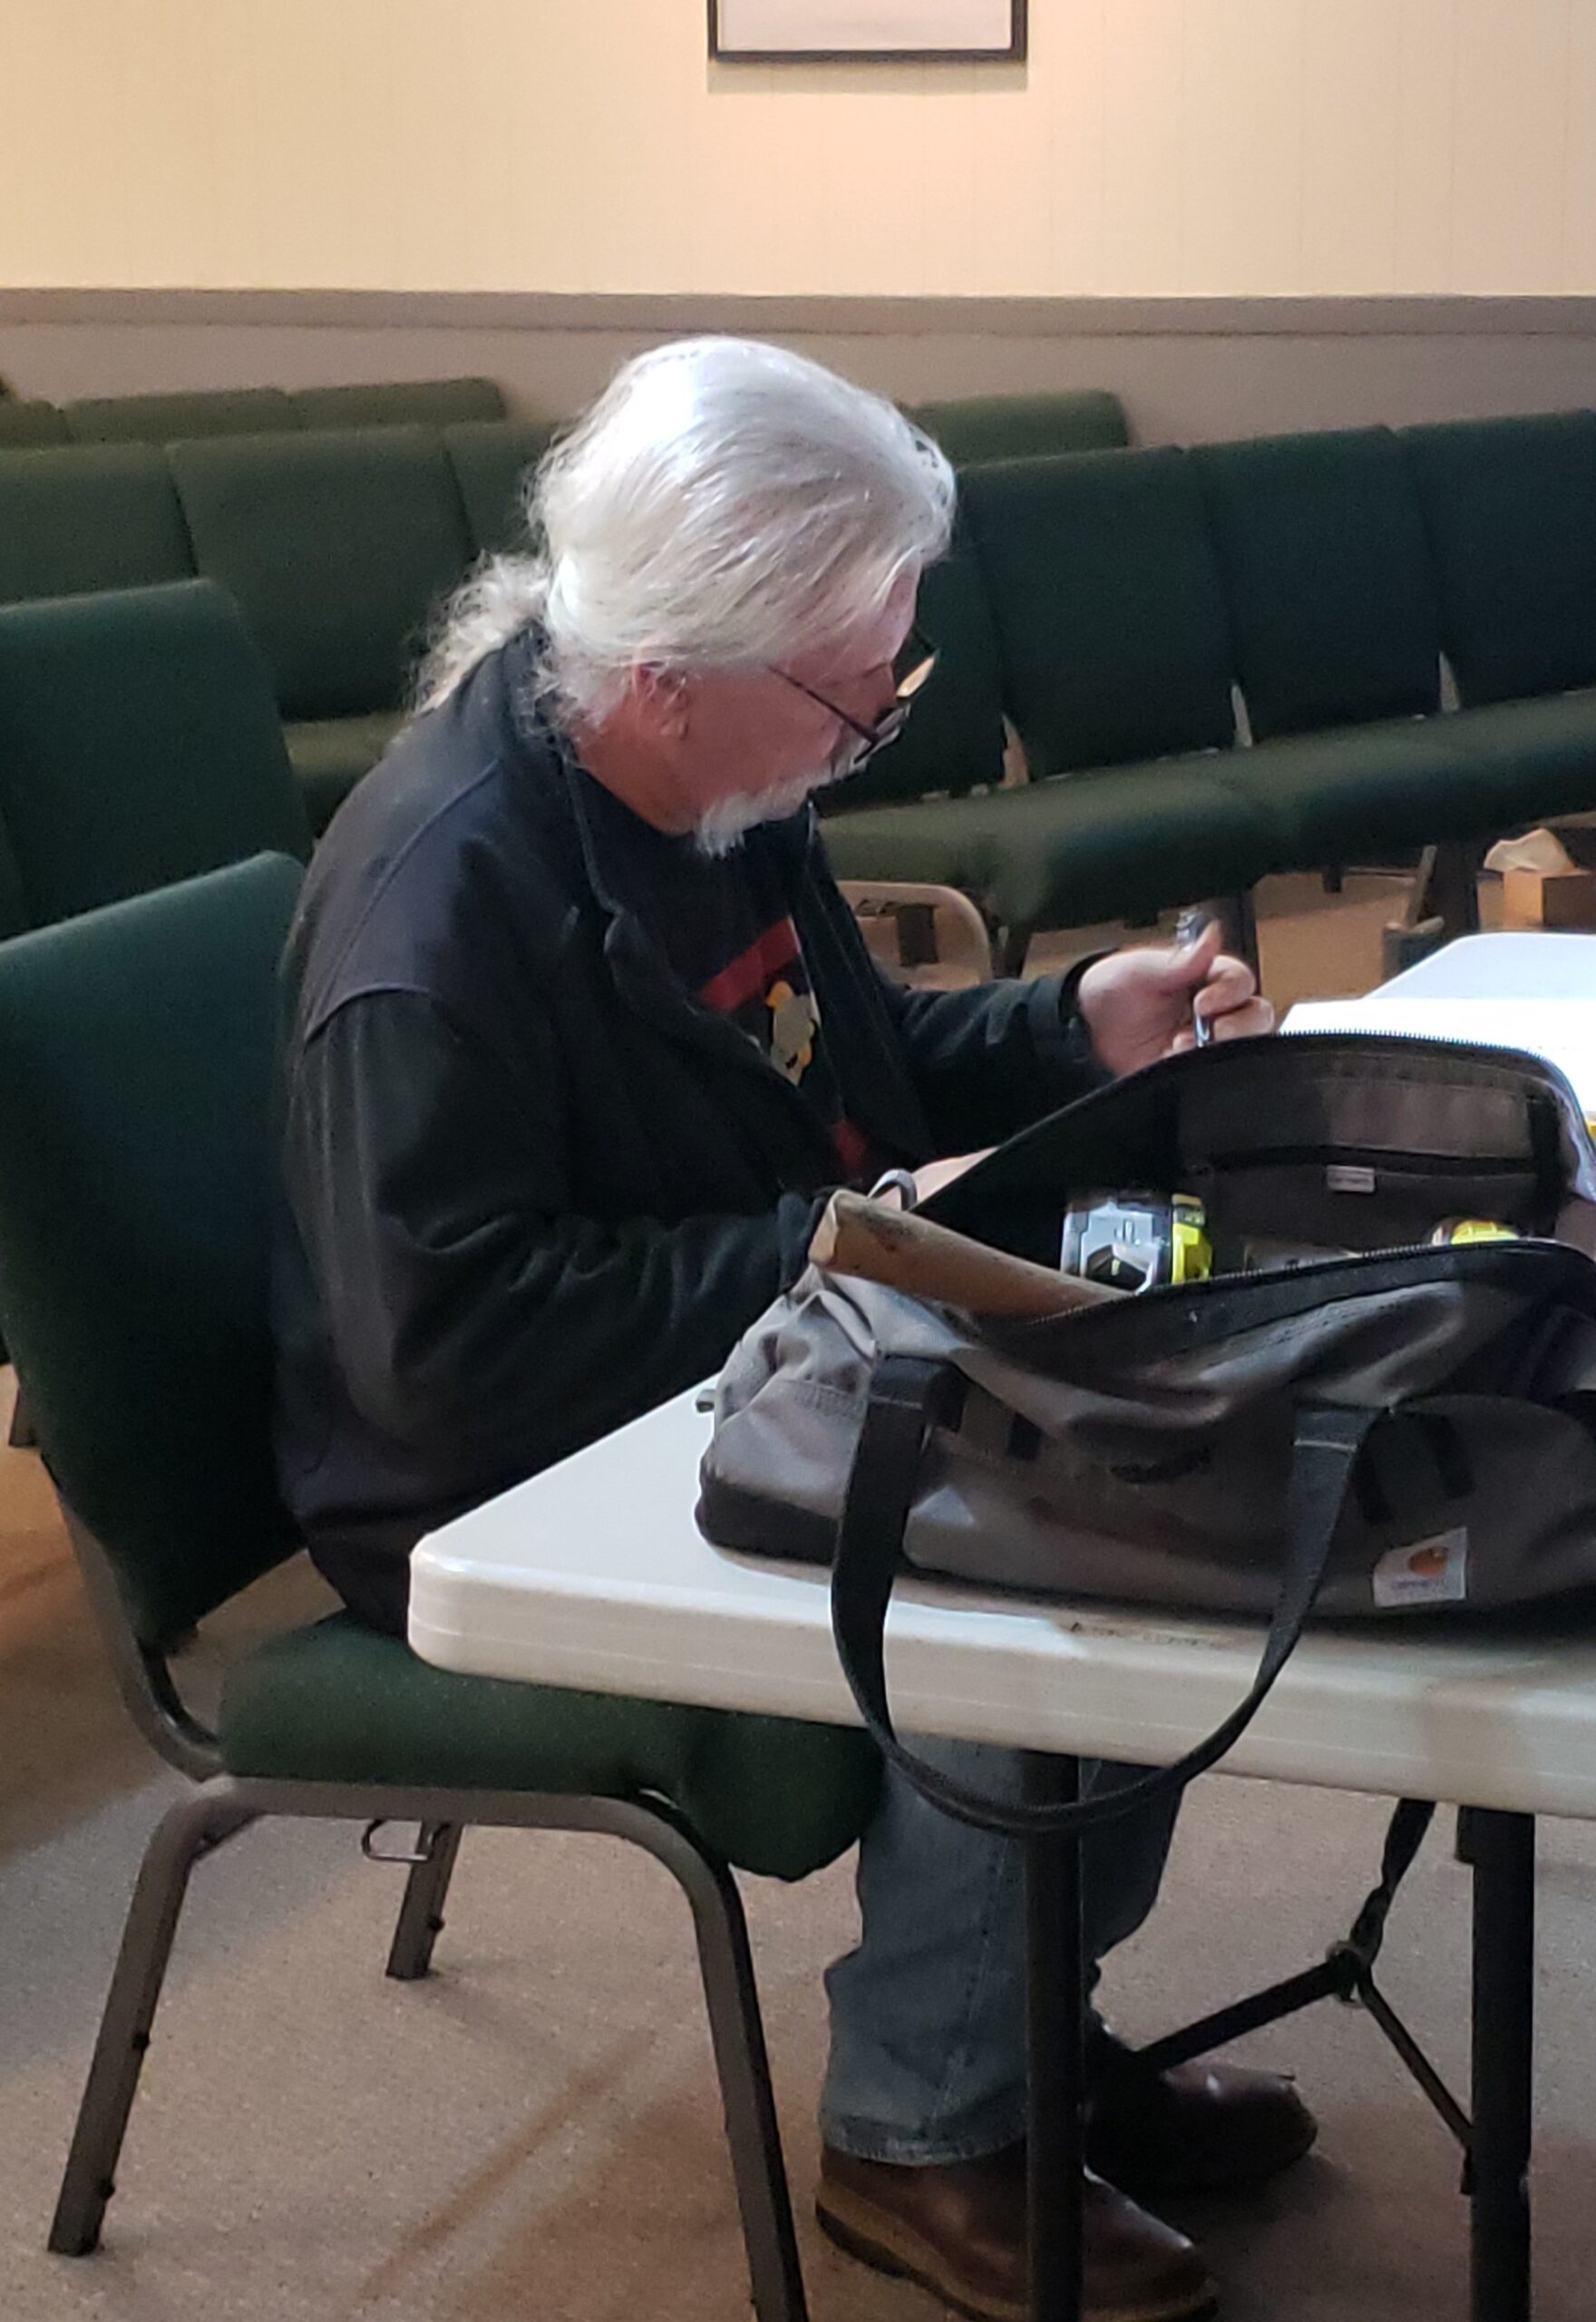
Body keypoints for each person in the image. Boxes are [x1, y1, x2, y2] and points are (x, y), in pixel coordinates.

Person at [274, 336, 1311, 2322]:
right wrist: (841, 1249)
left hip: (717, 1349)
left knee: (1147, 1438)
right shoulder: (442, 911)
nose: (872, 730)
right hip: (490, 1468)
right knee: (1054, 1537)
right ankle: (924, 2123)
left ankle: (1010, 2025)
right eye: (856, 691)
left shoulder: (703, 774)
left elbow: (839, 1066)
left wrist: (1057, 1018)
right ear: (673, 663)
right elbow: (451, 1344)